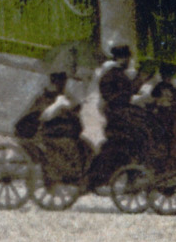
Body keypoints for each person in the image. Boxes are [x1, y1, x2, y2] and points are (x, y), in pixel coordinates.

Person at [15, 70, 89, 179]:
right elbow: (43, 116)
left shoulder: (60, 96)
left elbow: (75, 107)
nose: (63, 85)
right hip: (43, 132)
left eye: (63, 83)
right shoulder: (48, 98)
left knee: (82, 145)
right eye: (61, 83)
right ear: (56, 83)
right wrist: (59, 106)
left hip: (57, 130)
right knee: (68, 145)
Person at [86, 42, 141, 189]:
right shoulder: (113, 75)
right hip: (117, 116)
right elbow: (117, 95)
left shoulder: (116, 74)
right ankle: (128, 177)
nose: (129, 61)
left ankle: (131, 176)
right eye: (127, 58)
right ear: (121, 58)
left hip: (119, 114)